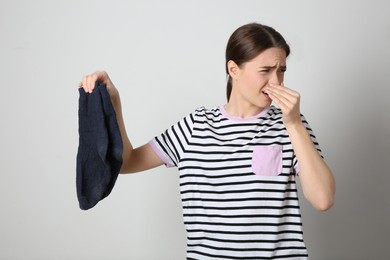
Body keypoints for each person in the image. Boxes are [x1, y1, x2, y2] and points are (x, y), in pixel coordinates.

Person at [79, 23, 335, 260]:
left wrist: (293, 124)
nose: (276, 82)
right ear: (233, 69)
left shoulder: (292, 125)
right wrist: (115, 102)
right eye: (265, 71)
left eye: (282, 70)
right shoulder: (195, 126)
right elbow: (128, 161)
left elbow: (323, 199)